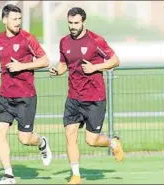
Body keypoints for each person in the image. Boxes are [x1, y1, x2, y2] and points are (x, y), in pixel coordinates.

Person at [49, 7, 124, 184]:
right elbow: (63, 64)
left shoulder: (95, 41)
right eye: (70, 23)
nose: (73, 26)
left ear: (84, 22)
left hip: (94, 98)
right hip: (73, 97)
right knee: (70, 133)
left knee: (92, 140)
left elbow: (115, 60)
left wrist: (95, 68)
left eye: (76, 23)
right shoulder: (64, 42)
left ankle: (113, 143)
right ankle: (76, 175)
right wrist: (57, 71)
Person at [0, 4, 52, 184]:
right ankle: (9, 175)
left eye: (19, 19)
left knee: (25, 139)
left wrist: (22, 66)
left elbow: (45, 60)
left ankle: (41, 142)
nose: (18, 22)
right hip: (4, 96)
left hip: (25, 97)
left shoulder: (28, 38)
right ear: (4, 20)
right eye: (14, 19)